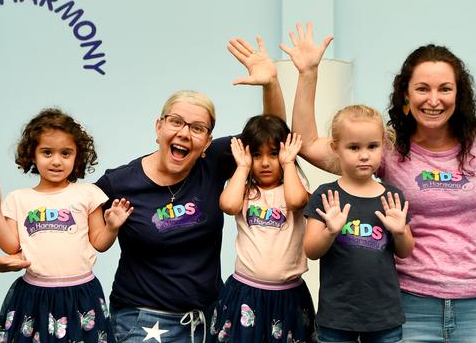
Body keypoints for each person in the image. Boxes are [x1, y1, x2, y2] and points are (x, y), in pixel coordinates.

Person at [284, 22, 476, 342]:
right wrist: (308, 74)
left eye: (445, 89)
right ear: (406, 94)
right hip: (411, 304)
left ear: (459, 94)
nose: (434, 99)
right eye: (422, 88)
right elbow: (309, 143)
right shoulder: (385, 146)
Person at [95, 36, 286, 343]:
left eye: (197, 128)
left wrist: (271, 83)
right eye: (176, 122)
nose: (184, 133)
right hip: (142, 321)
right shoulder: (119, 182)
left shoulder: (212, 163)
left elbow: (272, 134)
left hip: (209, 319)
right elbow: (70, 216)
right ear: (158, 127)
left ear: (208, 141)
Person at [0, 108, 133, 343]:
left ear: (77, 156)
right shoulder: (18, 198)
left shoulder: (89, 194)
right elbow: (11, 246)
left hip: (81, 294)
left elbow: (100, 244)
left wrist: (112, 226)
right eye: (47, 152)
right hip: (34, 294)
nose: (56, 161)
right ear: (32, 154)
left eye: (66, 153)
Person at [299, 103, 414, 343]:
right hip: (337, 316)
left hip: (384, 317)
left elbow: (405, 251)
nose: (364, 155)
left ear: (384, 145)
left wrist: (400, 231)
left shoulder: (392, 197)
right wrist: (330, 231)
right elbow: (311, 250)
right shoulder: (325, 195)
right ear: (335, 148)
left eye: (373, 146)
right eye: (354, 147)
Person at [207, 115, 315, 342]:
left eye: (273, 154)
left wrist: (288, 163)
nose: (265, 162)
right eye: (257, 155)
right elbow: (228, 205)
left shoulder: (293, 187)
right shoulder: (245, 191)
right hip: (245, 292)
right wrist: (242, 167)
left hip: (288, 295)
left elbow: (297, 201)